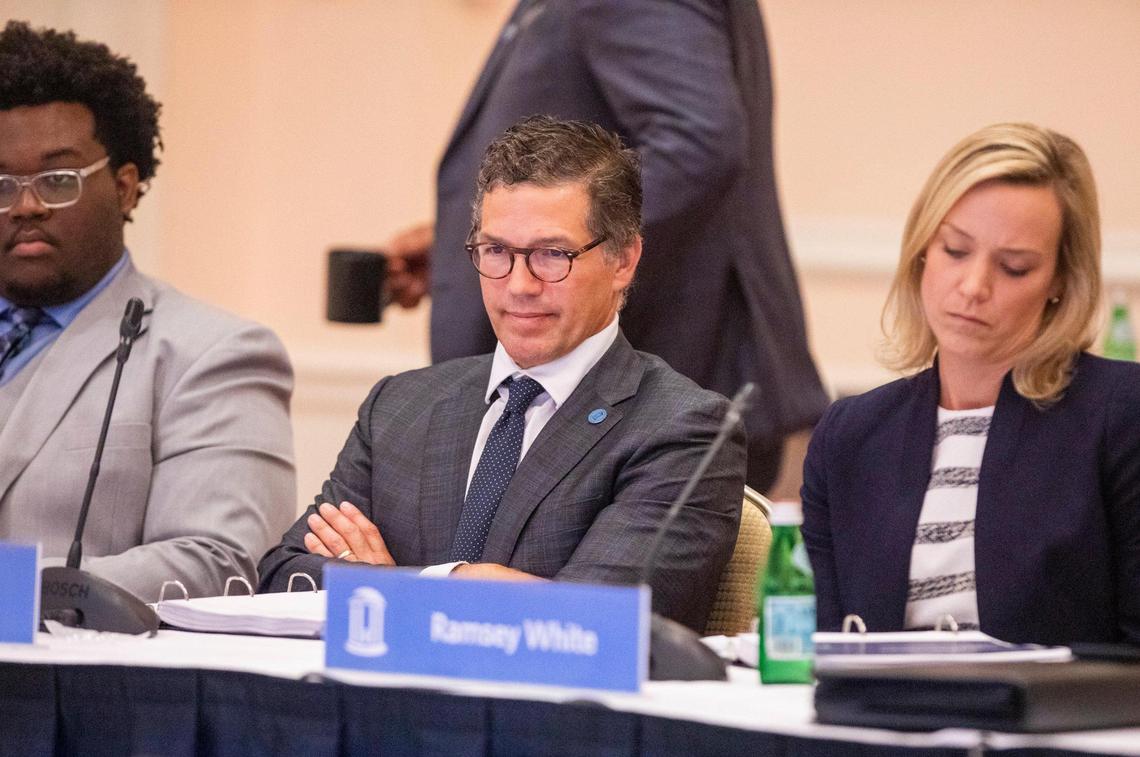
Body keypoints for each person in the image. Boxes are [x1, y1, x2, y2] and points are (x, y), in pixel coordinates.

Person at [261, 116, 744, 632]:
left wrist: (389, 588)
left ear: (623, 260)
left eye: (551, 255)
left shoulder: (682, 428)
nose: (518, 285)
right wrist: (450, 586)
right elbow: (286, 577)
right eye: (496, 252)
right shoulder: (400, 407)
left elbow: (595, 625)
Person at [382, 0, 827, 496]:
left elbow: (696, 148)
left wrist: (548, 249)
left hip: (638, 409)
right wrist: (468, 248)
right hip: (603, 413)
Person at [801, 123, 1140, 646]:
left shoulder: (1120, 415)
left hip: (1059, 726)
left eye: (1014, 267)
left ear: (1059, 282)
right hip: (882, 721)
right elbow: (829, 648)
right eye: (955, 251)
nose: (974, 287)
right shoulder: (851, 433)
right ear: (921, 252)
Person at [0, 21, 296, 601]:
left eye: (58, 180)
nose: (26, 206)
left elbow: (219, 561)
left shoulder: (214, 353)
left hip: (73, 683)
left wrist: (16, 594)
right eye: (2, 184)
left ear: (126, 186)